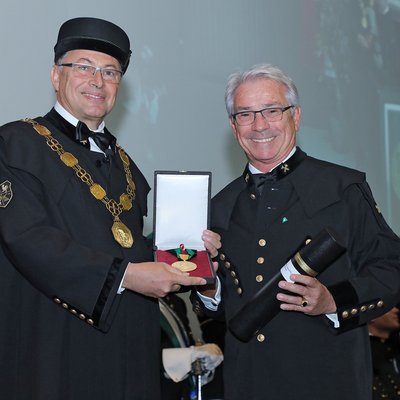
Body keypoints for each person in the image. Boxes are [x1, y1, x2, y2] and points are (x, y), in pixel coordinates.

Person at [0, 17, 220, 400]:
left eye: (110, 72)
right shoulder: (16, 144)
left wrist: (191, 258)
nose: (97, 81)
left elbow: (129, 249)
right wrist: (127, 276)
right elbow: (27, 239)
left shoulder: (127, 166)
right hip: (52, 350)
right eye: (83, 67)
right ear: (56, 76)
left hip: (130, 354)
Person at [191, 63, 400, 400]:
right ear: (233, 127)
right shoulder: (219, 206)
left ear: (296, 116)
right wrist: (209, 283)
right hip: (249, 383)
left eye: (272, 111)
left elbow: (391, 268)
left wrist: (333, 301)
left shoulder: (343, 188)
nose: (260, 125)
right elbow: (218, 310)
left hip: (328, 381)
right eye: (245, 114)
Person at [369, 307, 400, 399]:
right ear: (371, 317)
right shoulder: (366, 354)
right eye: (389, 307)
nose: (396, 310)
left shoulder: (394, 348)